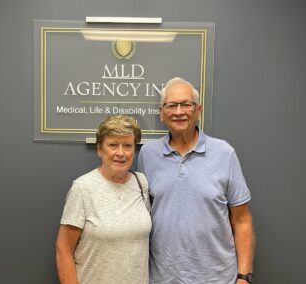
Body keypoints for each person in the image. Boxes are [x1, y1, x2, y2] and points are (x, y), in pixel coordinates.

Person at [138, 77, 255, 284]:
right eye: (171, 105)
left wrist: (244, 277)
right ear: (162, 113)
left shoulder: (224, 153)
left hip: (218, 278)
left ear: (198, 110)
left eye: (186, 104)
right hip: (163, 278)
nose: (179, 111)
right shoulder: (148, 155)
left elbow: (242, 220)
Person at [56, 115, 151, 284]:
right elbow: (64, 250)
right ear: (100, 149)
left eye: (127, 146)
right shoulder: (83, 188)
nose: (120, 153)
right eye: (113, 145)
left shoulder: (141, 183)